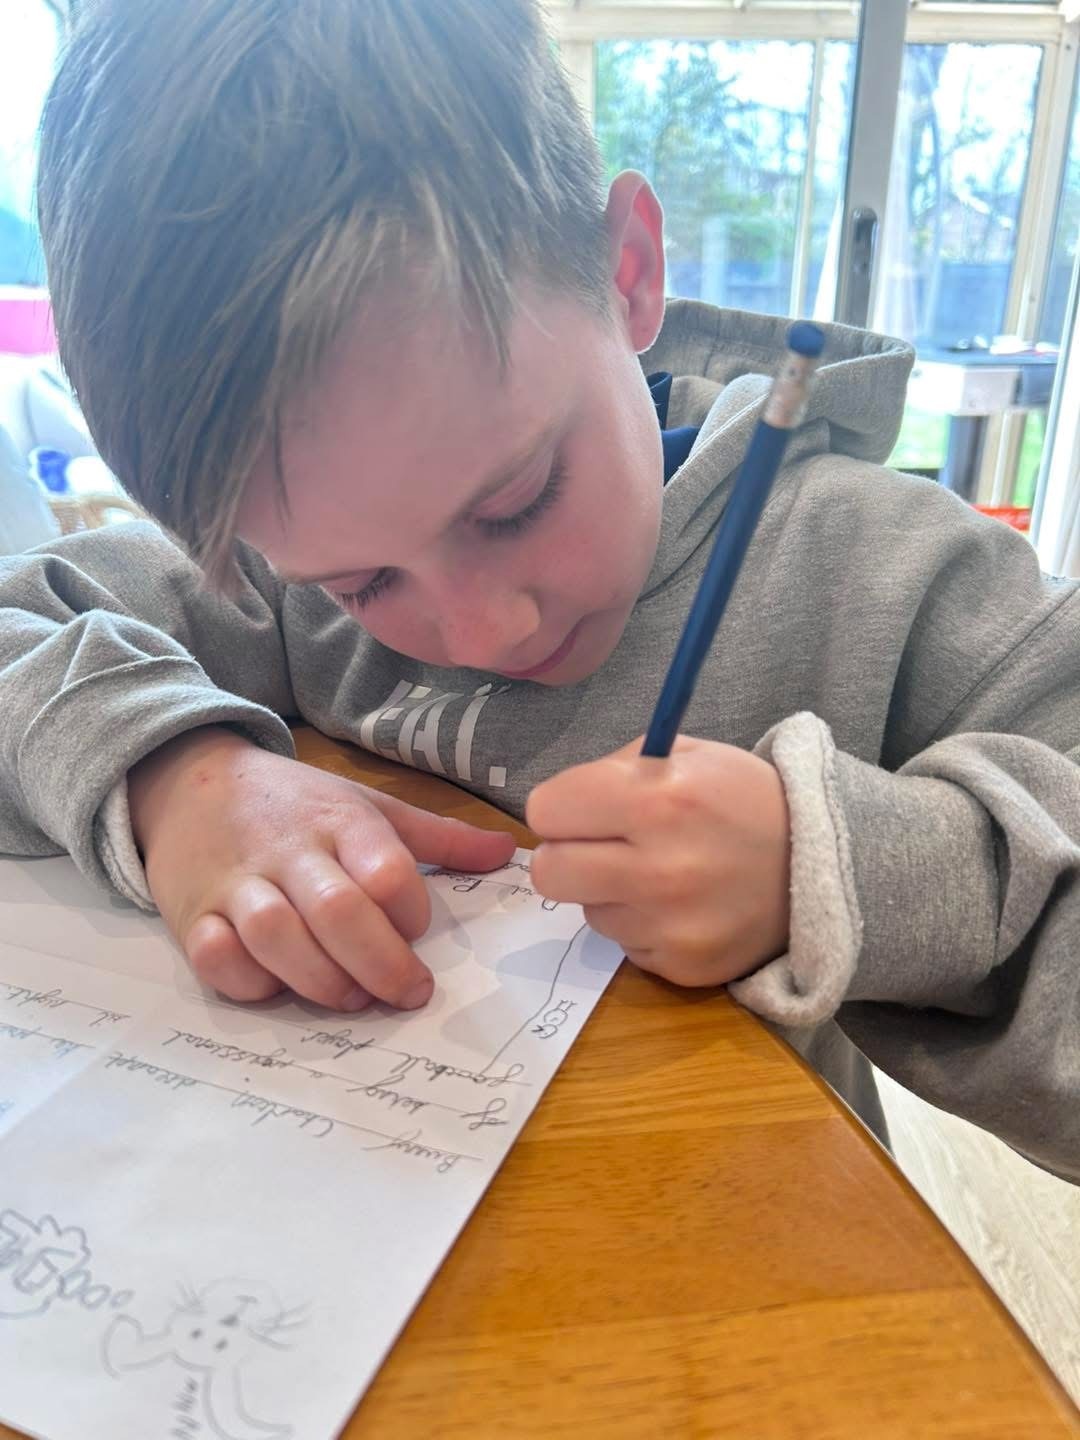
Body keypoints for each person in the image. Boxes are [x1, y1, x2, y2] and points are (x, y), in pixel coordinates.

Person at [1, 0, 1076, 1183]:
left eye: (515, 502)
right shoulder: (284, 568)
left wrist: (830, 871)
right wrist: (174, 776)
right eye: (362, 584)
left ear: (627, 274)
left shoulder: (892, 579)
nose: (480, 629)